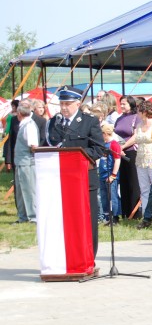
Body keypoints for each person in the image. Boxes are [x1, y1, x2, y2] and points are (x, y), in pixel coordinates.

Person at [46, 86, 105, 257]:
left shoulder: (89, 121)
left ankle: (88, 256)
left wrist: (80, 160)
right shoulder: (54, 122)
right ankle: (66, 255)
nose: (64, 107)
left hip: (84, 178)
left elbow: (99, 149)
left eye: (68, 104)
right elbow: (48, 146)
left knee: (87, 219)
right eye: (62, 103)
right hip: (60, 180)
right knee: (65, 220)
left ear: (78, 104)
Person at [120, 100, 152, 228]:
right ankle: (147, 216)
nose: (138, 113)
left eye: (140, 111)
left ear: (144, 112)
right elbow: (135, 138)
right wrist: (123, 146)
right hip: (140, 158)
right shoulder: (139, 124)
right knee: (144, 189)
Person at [114, 95, 141, 219]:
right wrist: (118, 148)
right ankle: (125, 212)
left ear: (131, 104)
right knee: (123, 183)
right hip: (119, 153)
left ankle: (135, 213)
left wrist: (123, 147)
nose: (122, 106)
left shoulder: (136, 118)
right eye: (121, 104)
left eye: (124, 104)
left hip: (131, 152)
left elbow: (135, 136)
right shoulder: (119, 119)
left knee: (133, 183)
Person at [14, 100, 38, 224]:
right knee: (20, 190)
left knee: (29, 189)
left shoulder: (29, 125)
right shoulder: (24, 124)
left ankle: (33, 216)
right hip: (21, 162)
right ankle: (22, 216)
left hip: (27, 162)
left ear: (19, 113)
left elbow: (33, 145)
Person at [98, 123, 122, 226]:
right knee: (104, 197)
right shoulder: (103, 144)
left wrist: (113, 175)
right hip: (102, 174)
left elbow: (117, 160)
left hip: (110, 175)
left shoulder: (114, 144)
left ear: (105, 133)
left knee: (112, 196)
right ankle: (107, 216)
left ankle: (115, 217)